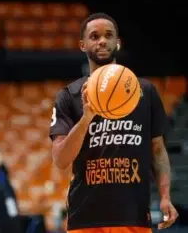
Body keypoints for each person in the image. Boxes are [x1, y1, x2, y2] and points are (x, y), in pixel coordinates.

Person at [49, 12, 178, 233]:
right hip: (85, 217)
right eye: (94, 36)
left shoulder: (145, 91)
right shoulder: (69, 95)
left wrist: (165, 196)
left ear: (118, 43)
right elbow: (60, 159)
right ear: (82, 44)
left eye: (109, 35)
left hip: (134, 216)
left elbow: (157, 151)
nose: (102, 41)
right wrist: (87, 117)